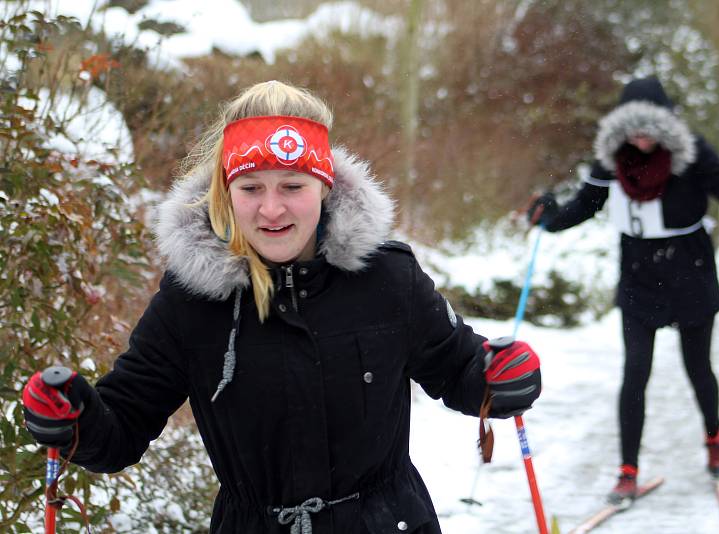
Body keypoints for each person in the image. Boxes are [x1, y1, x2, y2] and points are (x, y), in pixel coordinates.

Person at [21, 80, 542, 533]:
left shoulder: (386, 278)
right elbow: (121, 427)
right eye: (251, 188)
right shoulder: (192, 301)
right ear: (227, 193)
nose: (272, 209)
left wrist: (498, 375)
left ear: (324, 187)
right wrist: (76, 417)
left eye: (292, 186)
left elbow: (459, 369)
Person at [527, 76, 719, 503]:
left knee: (699, 368)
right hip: (640, 275)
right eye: (631, 127)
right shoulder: (612, 160)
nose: (640, 136)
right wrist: (550, 218)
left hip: (690, 270)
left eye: (649, 126)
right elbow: (585, 205)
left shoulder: (691, 151)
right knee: (635, 372)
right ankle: (627, 469)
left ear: (665, 124)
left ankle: (714, 438)